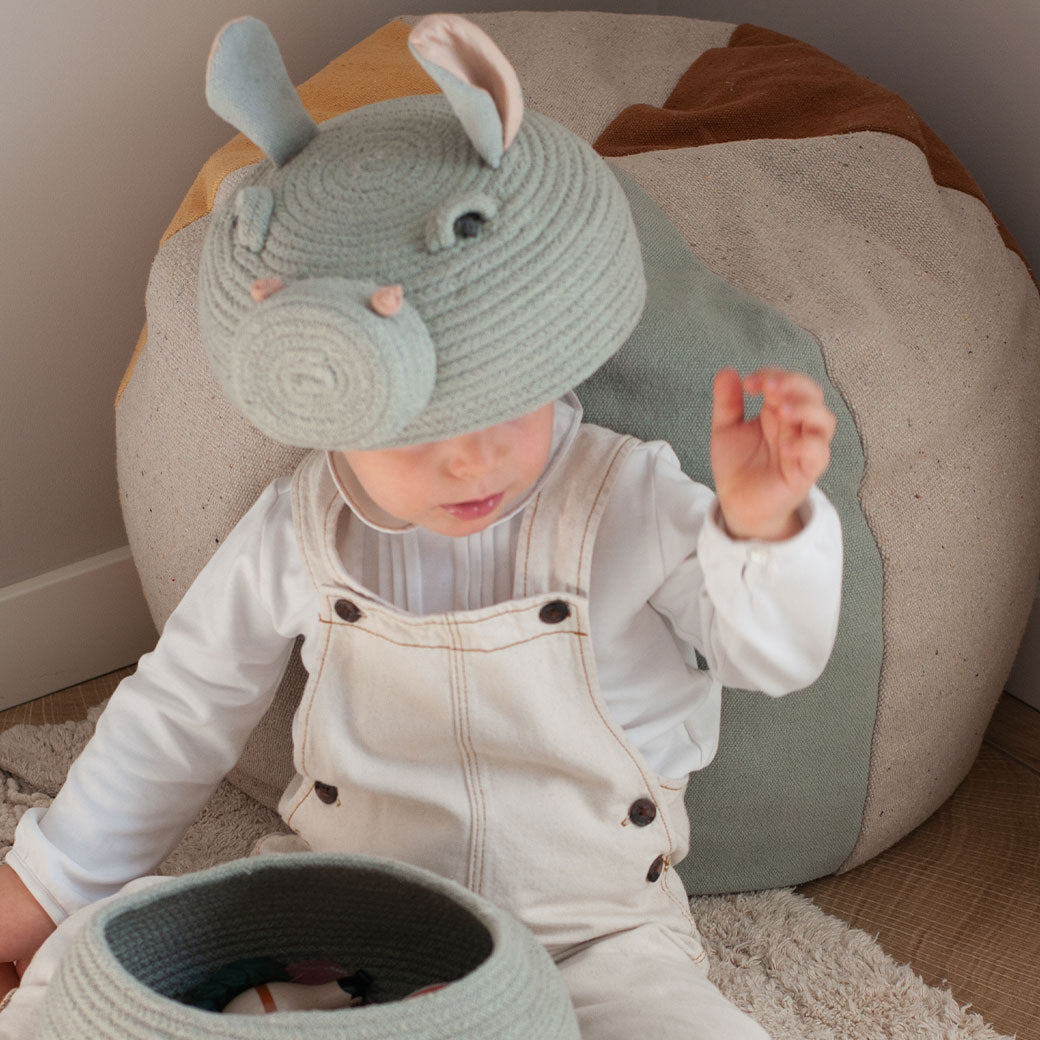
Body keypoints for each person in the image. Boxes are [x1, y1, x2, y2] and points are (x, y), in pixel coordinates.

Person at [0, 14, 843, 1039]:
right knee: (80, 981)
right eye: (416, 434)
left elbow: (774, 652)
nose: (469, 460)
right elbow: (181, 704)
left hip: (588, 937)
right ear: (327, 407)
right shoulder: (297, 529)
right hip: (343, 912)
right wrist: (53, 878)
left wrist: (764, 527)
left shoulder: (630, 499)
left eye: (505, 408)